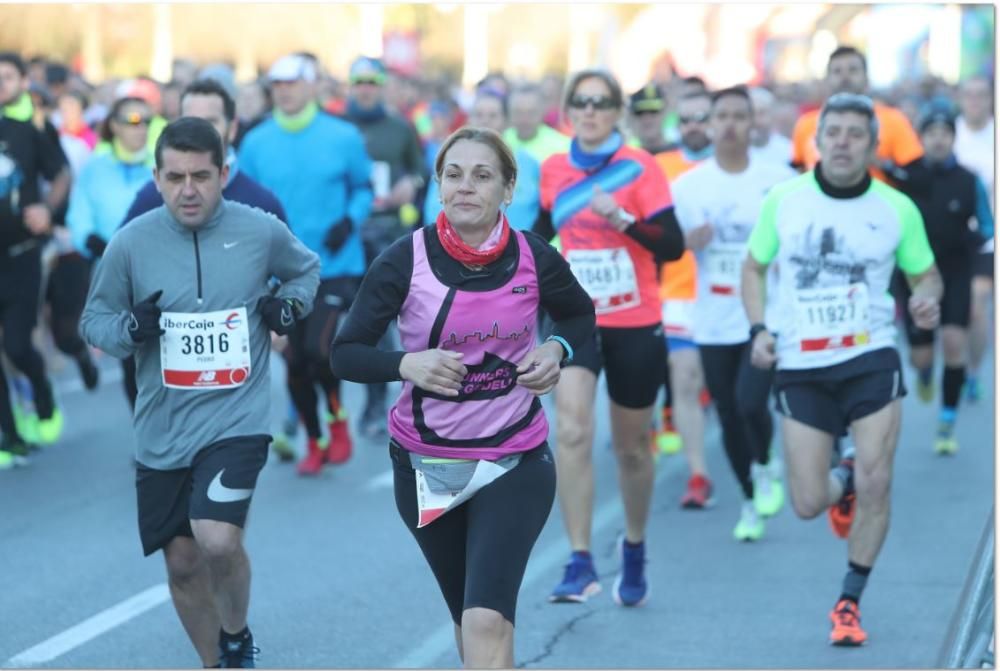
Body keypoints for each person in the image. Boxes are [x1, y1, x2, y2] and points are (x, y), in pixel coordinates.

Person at [331, 126, 594, 668]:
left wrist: (556, 349)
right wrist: (406, 363)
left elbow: (579, 315)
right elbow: (346, 353)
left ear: (507, 188)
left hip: (513, 457)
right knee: (469, 620)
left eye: (482, 176)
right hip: (427, 464)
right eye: (453, 175)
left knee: (486, 618)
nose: (465, 187)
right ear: (438, 185)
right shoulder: (405, 261)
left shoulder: (534, 258)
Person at [80, 117, 320, 668]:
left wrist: (288, 307)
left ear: (223, 174)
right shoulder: (131, 243)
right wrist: (129, 331)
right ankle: (219, 662)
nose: (189, 190)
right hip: (162, 429)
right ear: (158, 178)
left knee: (216, 539)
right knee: (183, 561)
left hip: (238, 418)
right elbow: (95, 320)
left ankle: (235, 635)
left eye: (202, 177)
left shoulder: (259, 230)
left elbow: (307, 272)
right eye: (176, 177)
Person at [742, 92, 943, 646]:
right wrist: (759, 329)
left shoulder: (895, 208)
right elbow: (754, 268)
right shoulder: (784, 200)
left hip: (870, 356)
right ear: (816, 139)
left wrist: (927, 300)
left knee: (881, 481)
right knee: (808, 502)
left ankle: (849, 602)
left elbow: (926, 275)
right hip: (802, 364)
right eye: (834, 132)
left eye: (857, 134)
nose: (844, 143)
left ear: (874, 146)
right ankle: (845, 476)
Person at [533, 69, 685, 606]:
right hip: (576, 320)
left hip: (635, 321)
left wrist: (621, 218)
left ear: (617, 110)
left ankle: (635, 545)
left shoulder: (641, 169)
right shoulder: (554, 168)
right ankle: (579, 560)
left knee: (632, 449)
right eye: (581, 101)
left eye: (601, 102)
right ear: (569, 109)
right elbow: (543, 235)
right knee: (571, 431)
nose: (590, 110)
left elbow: (671, 245)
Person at [118, 78, 288, 419]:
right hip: (166, 347)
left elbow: (287, 272)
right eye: (187, 121)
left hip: (234, 354)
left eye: (209, 122)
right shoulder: (152, 197)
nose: (196, 132)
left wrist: (279, 317)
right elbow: (122, 262)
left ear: (232, 127)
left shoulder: (260, 201)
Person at [239, 53, 373, 475]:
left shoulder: (343, 136)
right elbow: (243, 202)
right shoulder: (256, 142)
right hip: (279, 271)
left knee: (319, 350)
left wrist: (350, 220)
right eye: (277, 84)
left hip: (335, 263)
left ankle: (337, 421)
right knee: (295, 362)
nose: (285, 91)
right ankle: (314, 440)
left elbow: (363, 188)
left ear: (312, 85)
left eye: (292, 83)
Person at [672, 86, 792, 540]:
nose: (728, 124)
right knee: (726, 411)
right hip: (713, 317)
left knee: (750, 401)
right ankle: (748, 497)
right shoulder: (688, 186)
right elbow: (669, 245)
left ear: (752, 123)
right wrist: (688, 242)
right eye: (719, 115)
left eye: (738, 116)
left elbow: (794, 242)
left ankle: (765, 461)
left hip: (764, 313)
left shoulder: (778, 179)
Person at [887, 103, 993, 454]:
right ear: (921, 138)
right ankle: (925, 373)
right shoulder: (904, 176)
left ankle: (947, 423)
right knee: (921, 357)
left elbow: (987, 224)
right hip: (914, 275)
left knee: (953, 344)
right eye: (931, 134)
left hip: (956, 270)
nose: (938, 140)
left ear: (953, 137)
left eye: (944, 134)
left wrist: (981, 243)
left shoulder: (968, 179)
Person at [342, 55, 427, 441]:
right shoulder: (337, 128)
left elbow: (422, 169)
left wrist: (411, 183)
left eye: (371, 82)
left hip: (389, 229)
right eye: (358, 81)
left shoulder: (399, 126)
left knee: (380, 320)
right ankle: (314, 407)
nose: (365, 88)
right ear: (350, 85)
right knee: (331, 321)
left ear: (381, 85)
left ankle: (378, 405)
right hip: (346, 232)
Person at [59, 95, 155, 393]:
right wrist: (96, 243)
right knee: (130, 359)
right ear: (114, 125)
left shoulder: (163, 163)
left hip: (160, 268)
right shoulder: (94, 168)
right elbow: (79, 216)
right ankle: (146, 434)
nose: (140, 128)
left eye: (146, 122)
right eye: (132, 121)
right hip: (113, 272)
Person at [0, 51, 71, 448]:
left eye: (7, 76)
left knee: (16, 345)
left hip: (22, 254)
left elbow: (61, 173)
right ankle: (8, 436)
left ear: (23, 81)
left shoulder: (31, 127)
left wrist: (47, 207)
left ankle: (42, 391)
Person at [650, 90, 714, 502]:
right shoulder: (658, 167)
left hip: (732, 299)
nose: (693, 126)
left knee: (736, 397)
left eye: (702, 118)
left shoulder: (737, 170)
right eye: (686, 118)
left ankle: (759, 462)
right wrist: (675, 241)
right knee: (684, 379)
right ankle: (698, 475)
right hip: (677, 291)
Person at [791, 46, 924, 182]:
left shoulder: (894, 120)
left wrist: (877, 161)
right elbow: (798, 174)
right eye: (837, 71)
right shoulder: (806, 124)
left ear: (866, 77)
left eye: (853, 70)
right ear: (827, 79)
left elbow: (917, 177)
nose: (845, 77)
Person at [425, 90, 541, 233]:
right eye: (479, 115)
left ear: (506, 121)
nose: (485, 121)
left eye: (493, 115)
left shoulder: (529, 163)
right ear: (469, 120)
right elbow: (434, 208)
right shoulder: (450, 159)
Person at [953, 75, 995, 403]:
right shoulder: (949, 134)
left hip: (987, 239)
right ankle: (953, 360)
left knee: (976, 307)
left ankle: (973, 370)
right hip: (952, 240)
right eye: (970, 95)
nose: (976, 101)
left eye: (982, 95)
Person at [503, 83, 571, 164]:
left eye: (531, 112)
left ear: (543, 111)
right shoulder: (501, 141)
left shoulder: (563, 146)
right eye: (518, 112)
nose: (524, 119)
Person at [749, 86, 793, 168]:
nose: (755, 120)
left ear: (772, 116)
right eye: (750, 114)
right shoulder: (730, 153)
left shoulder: (789, 151)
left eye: (761, 113)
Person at [627, 84, 672, 155]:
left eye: (653, 112)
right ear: (631, 118)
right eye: (640, 113)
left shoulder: (683, 153)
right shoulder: (626, 159)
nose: (647, 119)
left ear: (665, 113)